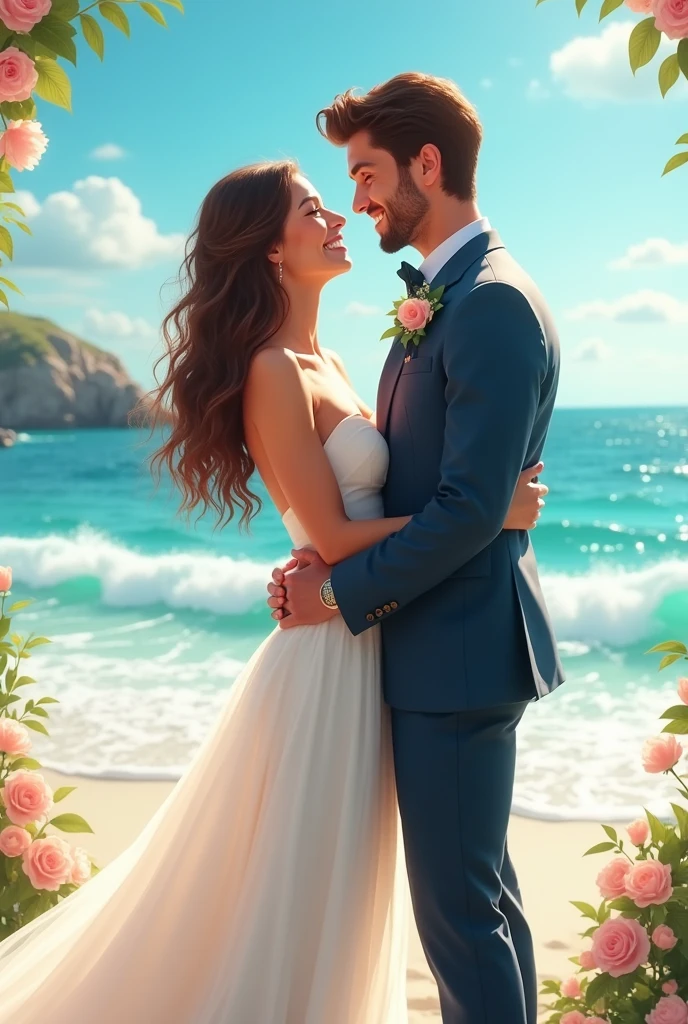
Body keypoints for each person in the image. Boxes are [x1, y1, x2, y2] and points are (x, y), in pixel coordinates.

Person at [0, 155, 545, 1022]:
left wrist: (473, 507)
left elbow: (372, 506)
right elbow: (328, 536)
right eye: (313, 210)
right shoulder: (272, 369)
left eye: (332, 204)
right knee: (303, 895)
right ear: (268, 251)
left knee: (341, 892)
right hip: (328, 660)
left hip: (369, 641)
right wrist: (490, 511)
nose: (338, 218)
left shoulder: (325, 356)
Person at [267, 73, 564, 1024]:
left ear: (425, 166)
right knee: (479, 909)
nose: (355, 199)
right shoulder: (443, 300)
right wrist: (327, 549)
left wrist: (340, 593)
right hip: (440, 650)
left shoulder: (491, 304)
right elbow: (436, 492)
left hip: (460, 655)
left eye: (365, 174)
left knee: (460, 922)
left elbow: (468, 508)